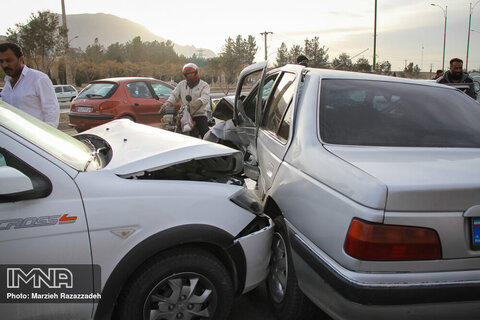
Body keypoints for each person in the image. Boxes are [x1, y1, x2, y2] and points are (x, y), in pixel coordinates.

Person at [0, 43, 59, 127]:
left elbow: (52, 111)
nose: (4, 65)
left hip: (34, 137)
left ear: (21, 59)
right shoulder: (7, 84)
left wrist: (45, 135)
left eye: (9, 60)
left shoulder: (39, 79)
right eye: (1, 61)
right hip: (15, 137)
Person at [159, 63, 210, 138]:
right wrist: (167, 104)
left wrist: (195, 105)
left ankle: (208, 147)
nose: (189, 75)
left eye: (191, 73)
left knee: (205, 134)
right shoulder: (181, 84)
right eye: (187, 74)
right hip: (183, 114)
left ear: (196, 73)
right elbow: (174, 96)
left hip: (199, 114)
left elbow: (205, 97)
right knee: (173, 128)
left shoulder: (204, 85)